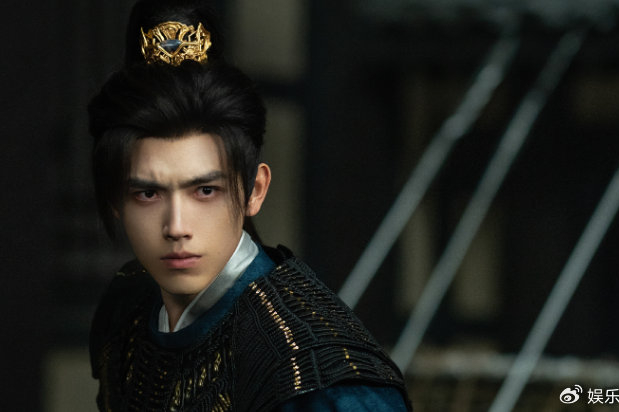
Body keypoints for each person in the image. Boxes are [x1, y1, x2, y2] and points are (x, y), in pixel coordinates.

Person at [88, 1, 410, 410]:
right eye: (148, 194)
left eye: (205, 191)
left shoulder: (326, 384)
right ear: (115, 200)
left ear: (255, 190)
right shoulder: (127, 310)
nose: (177, 226)